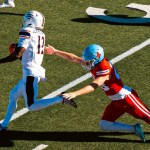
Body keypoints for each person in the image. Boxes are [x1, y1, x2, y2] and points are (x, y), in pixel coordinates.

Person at [44, 44, 150, 142]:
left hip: (126, 98)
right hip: (116, 100)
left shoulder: (104, 68)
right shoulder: (94, 63)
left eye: (89, 61)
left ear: (97, 59)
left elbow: (93, 85)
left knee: (148, 117)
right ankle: (135, 129)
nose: (86, 63)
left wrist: (75, 93)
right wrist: (55, 51)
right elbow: (74, 58)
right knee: (104, 125)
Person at [0, 10, 77, 131]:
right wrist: (18, 52)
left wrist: (12, 53)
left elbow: (17, 55)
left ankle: (60, 98)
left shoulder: (26, 31)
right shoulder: (41, 34)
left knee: (31, 106)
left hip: (30, 74)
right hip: (31, 72)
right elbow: (29, 54)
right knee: (13, 95)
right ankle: (4, 124)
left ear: (30, 20)